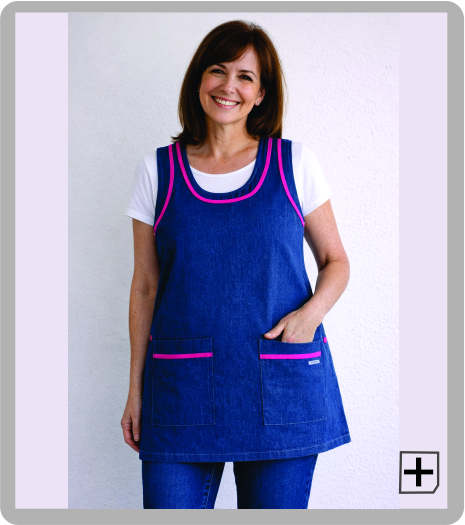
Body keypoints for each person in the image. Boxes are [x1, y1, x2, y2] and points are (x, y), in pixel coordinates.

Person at [121, 20, 351, 509]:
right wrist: (135, 389)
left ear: (261, 94)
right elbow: (145, 287)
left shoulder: (294, 163)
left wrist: (309, 317)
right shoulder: (157, 171)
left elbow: (335, 261)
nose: (229, 86)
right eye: (218, 70)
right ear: (198, 80)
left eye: (246, 76)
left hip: (280, 386)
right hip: (180, 392)